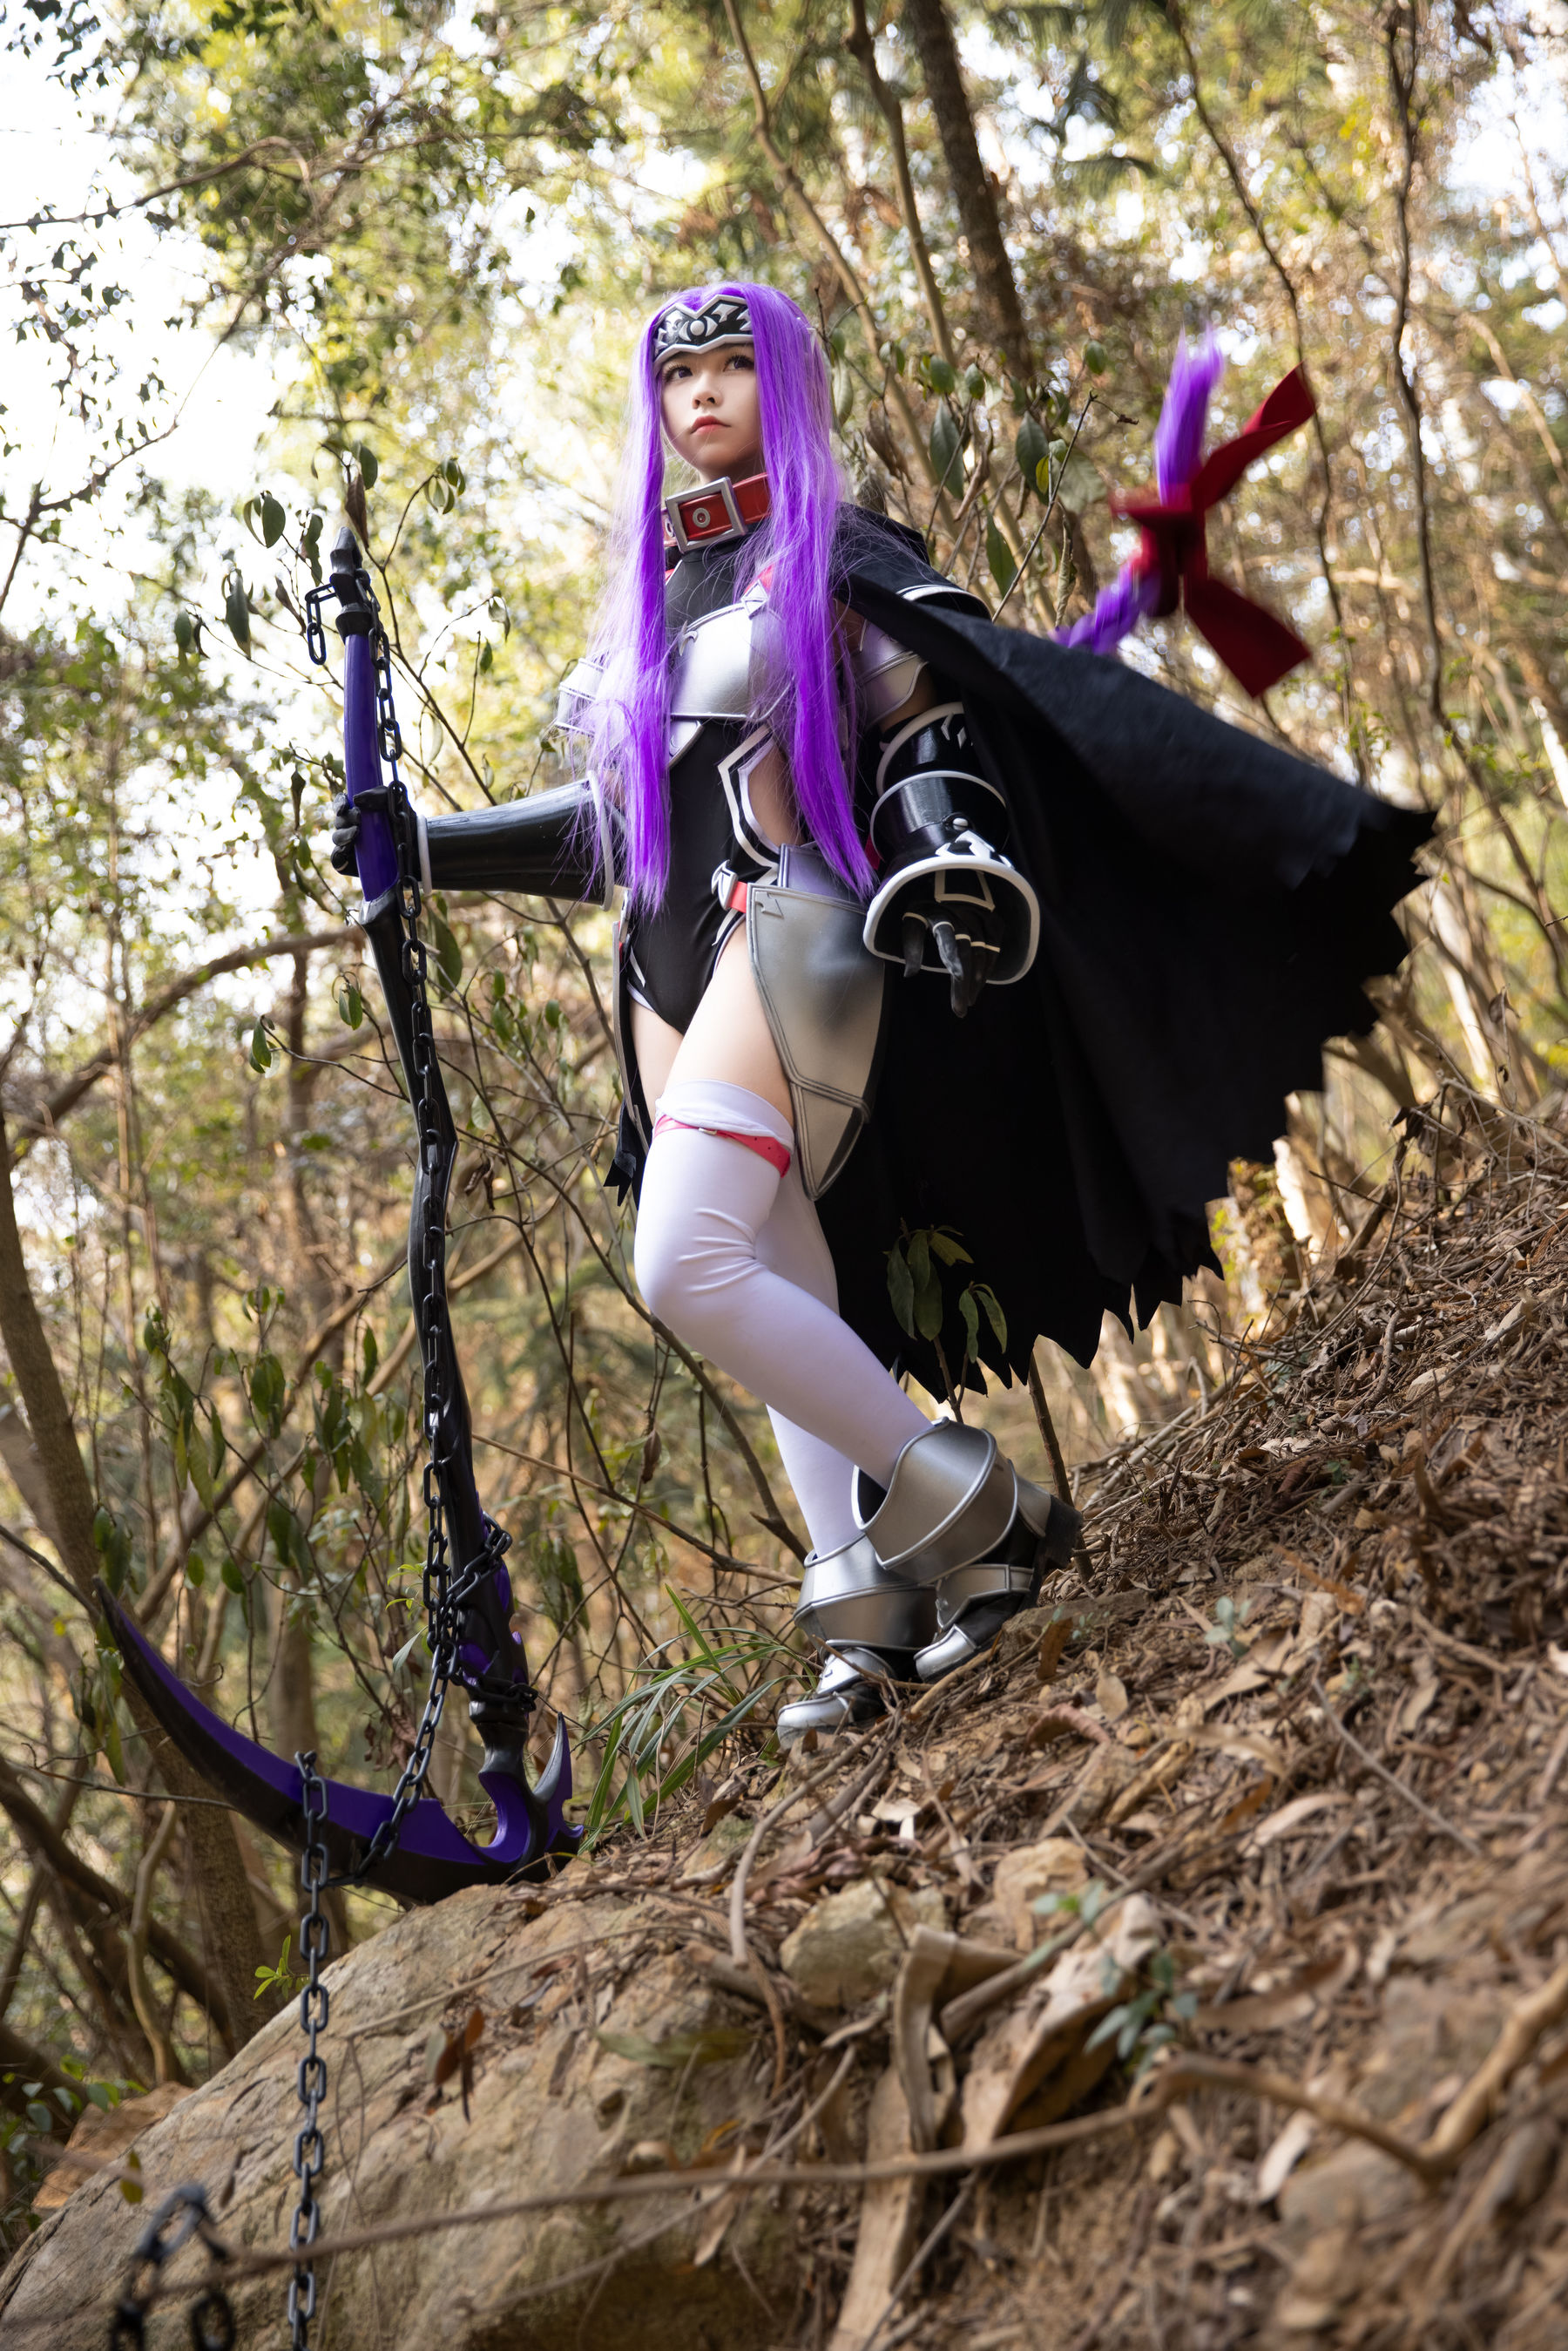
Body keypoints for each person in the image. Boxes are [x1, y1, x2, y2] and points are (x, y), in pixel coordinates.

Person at [331, 282, 1429, 1742]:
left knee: (682, 1258)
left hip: (789, 931)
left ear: (782, 385)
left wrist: (955, 861)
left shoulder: (833, 552)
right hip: (663, 983)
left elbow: (931, 724)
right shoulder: (648, 609)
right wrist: (424, 847)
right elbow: (611, 832)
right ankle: (870, 1604)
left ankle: (987, 1511)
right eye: (677, 373)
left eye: (733, 365)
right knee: (768, 1267)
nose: (701, 392)